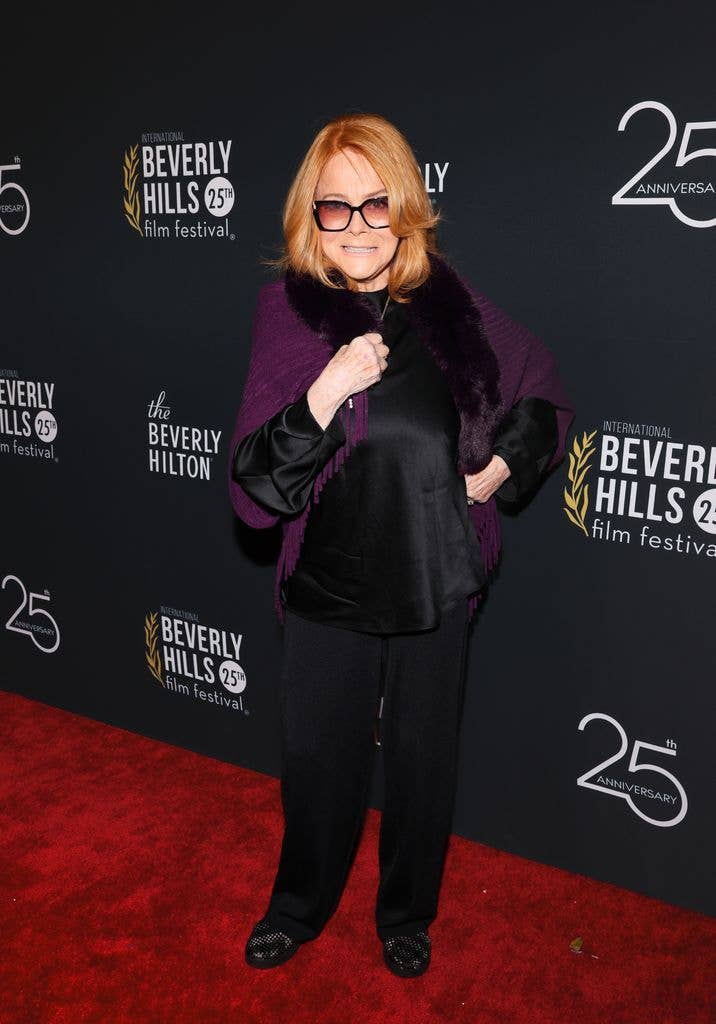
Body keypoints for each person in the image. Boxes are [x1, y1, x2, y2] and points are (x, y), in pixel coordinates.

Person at [228, 112, 575, 977]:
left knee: (423, 765)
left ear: (407, 209)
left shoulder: (456, 311)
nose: (355, 226)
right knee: (317, 763)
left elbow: (543, 393)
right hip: (328, 587)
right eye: (333, 208)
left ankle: (407, 914)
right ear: (310, 219)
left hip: (435, 578)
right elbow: (253, 490)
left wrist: (499, 467)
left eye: (374, 204)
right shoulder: (289, 315)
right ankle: (297, 907)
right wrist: (326, 389)